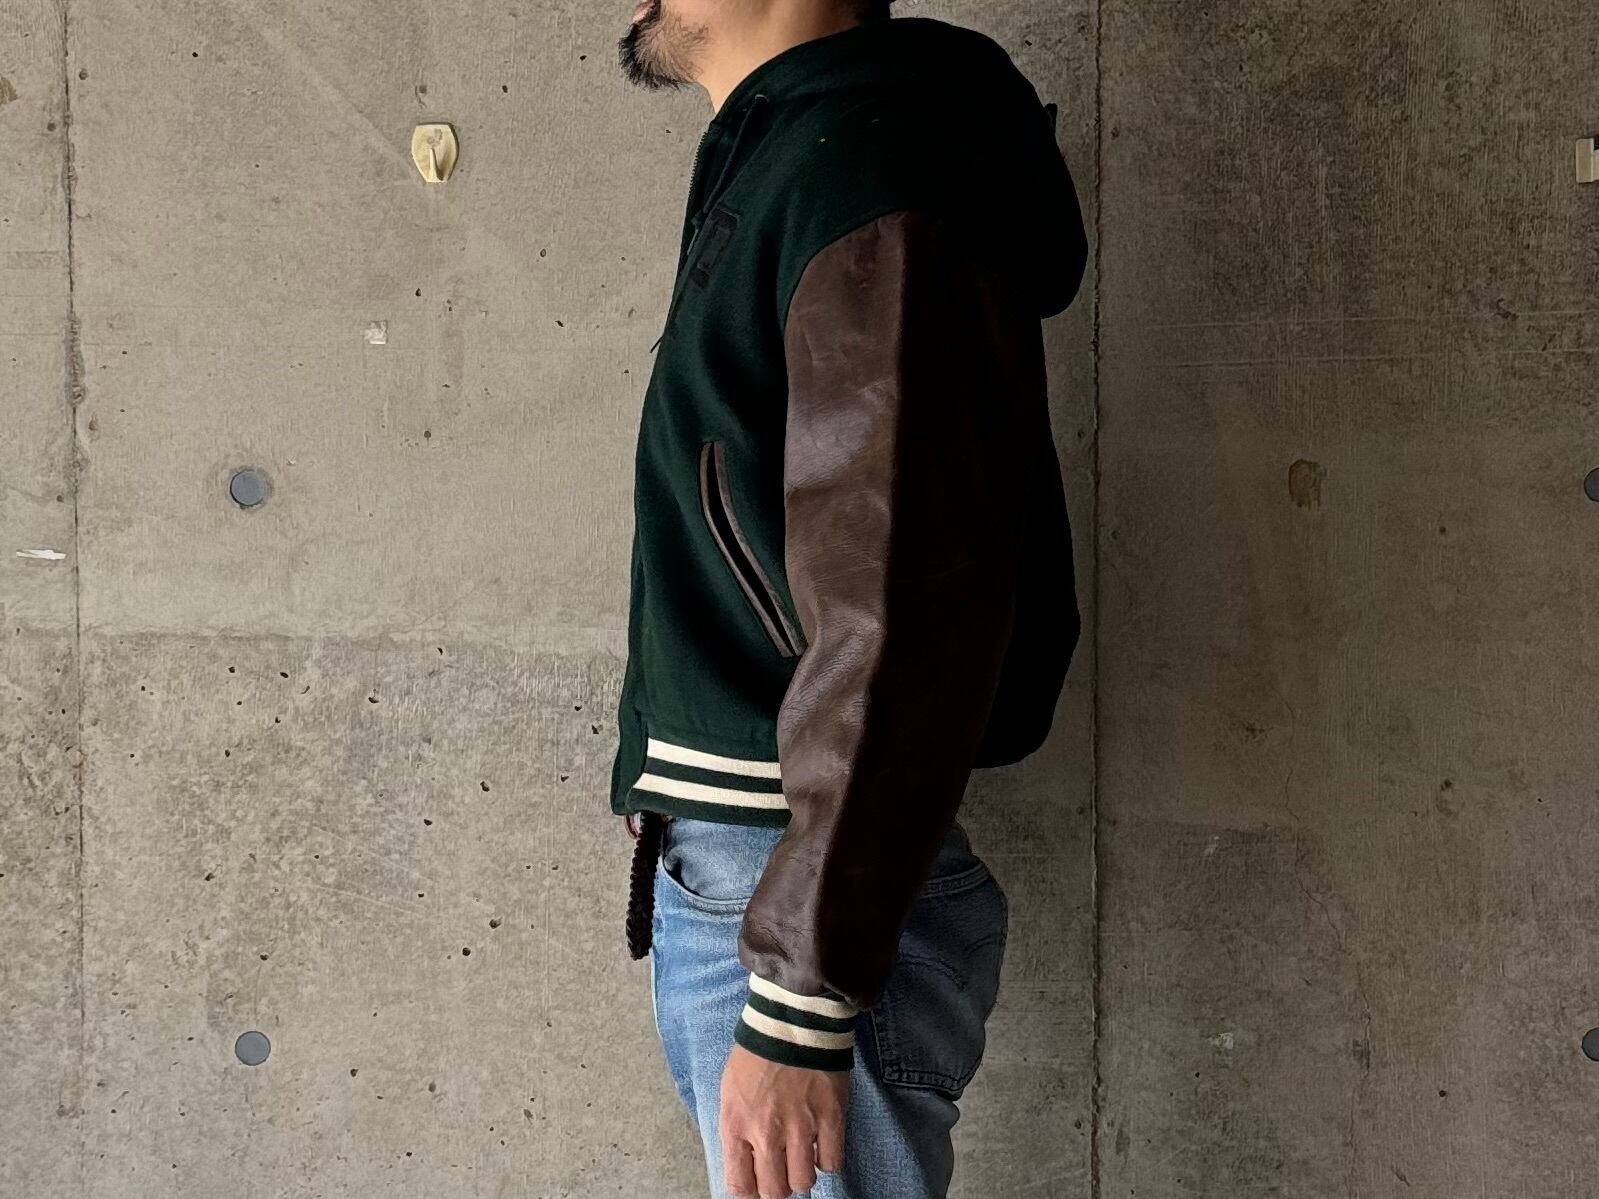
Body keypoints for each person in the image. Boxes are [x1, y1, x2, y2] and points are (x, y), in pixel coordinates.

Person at [611, 3, 1088, 1196]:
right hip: (768, 873)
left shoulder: (867, 170)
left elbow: (904, 595)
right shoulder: (798, 160)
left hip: (798, 892)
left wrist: (800, 997)